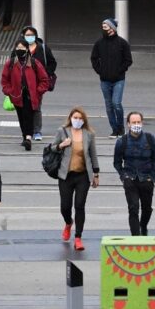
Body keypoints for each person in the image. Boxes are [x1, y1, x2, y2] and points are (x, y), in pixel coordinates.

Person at [53, 107, 100, 251]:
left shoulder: (88, 134)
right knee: (65, 207)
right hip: (66, 175)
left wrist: (96, 174)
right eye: (75, 117)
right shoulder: (63, 131)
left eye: (80, 118)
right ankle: (68, 223)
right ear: (70, 118)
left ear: (84, 120)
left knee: (80, 205)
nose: (77, 120)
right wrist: (62, 145)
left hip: (83, 175)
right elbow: (52, 148)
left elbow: (93, 154)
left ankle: (78, 237)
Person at [114, 112, 155, 236]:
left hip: (146, 179)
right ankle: (136, 237)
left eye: (138, 122)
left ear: (142, 123)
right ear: (128, 124)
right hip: (130, 180)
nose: (136, 125)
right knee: (133, 208)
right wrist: (124, 176)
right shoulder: (122, 141)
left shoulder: (150, 139)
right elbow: (117, 162)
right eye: (133, 122)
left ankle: (143, 226)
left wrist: (153, 177)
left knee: (147, 209)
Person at [1, 38, 50, 151]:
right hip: (17, 95)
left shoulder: (34, 63)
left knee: (29, 115)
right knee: (21, 117)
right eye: (18, 48)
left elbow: (44, 79)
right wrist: (9, 91)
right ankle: (25, 136)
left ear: (27, 49)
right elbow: (4, 79)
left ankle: (28, 138)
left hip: (30, 94)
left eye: (22, 48)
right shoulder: (11, 63)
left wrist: (38, 91)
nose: (20, 50)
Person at [90, 18, 133, 138]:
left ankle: (121, 127)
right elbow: (94, 58)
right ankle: (115, 130)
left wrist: (120, 70)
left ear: (112, 29)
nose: (103, 29)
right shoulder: (99, 43)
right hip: (104, 80)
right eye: (103, 27)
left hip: (119, 79)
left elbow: (128, 60)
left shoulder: (122, 43)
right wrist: (100, 71)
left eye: (106, 27)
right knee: (109, 106)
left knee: (116, 103)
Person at [20, 26, 57, 141]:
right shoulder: (20, 48)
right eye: (27, 35)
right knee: (25, 108)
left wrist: (45, 75)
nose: (29, 37)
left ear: (35, 36)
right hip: (23, 83)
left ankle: (36, 131)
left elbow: (52, 63)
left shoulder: (43, 49)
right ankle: (27, 131)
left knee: (36, 107)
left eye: (31, 35)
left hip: (38, 84)